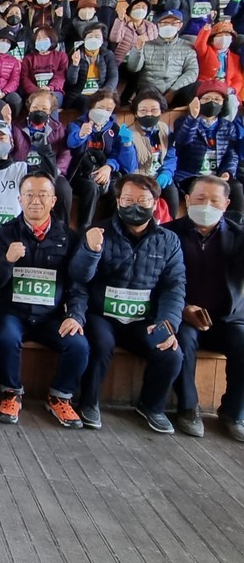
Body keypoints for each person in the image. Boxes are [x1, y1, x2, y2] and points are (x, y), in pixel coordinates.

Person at [74, 174, 186, 434]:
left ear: (155, 202)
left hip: (145, 318)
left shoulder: (169, 241)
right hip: (103, 313)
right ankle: (89, 402)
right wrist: (91, 251)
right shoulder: (98, 231)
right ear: (117, 201)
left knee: (171, 354)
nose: (135, 206)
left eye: (142, 200)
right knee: (99, 344)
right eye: (128, 199)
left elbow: (174, 286)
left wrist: (168, 322)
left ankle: (151, 406)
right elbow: (79, 278)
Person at [0, 172, 88, 427]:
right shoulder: (5, 233)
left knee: (79, 345)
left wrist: (74, 315)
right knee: (6, 338)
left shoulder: (69, 237)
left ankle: (60, 397)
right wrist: (6, 260)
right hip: (13, 313)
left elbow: (78, 285)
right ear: (19, 199)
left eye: (43, 195)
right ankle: (11, 393)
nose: (36, 201)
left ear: (54, 201)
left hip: (51, 316)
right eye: (29, 195)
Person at [166, 175, 244, 442]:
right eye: (200, 198)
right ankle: (187, 408)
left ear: (227, 204)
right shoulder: (168, 233)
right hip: (184, 316)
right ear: (188, 200)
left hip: (227, 318)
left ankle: (234, 412)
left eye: (214, 200)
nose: (206, 205)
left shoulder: (239, 236)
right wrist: (184, 308)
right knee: (182, 342)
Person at [66, 90, 137, 229]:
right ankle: (84, 229)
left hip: (105, 172)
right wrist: (81, 135)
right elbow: (70, 143)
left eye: (109, 109)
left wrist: (109, 167)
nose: (104, 112)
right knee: (91, 188)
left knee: (116, 188)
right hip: (81, 173)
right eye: (100, 107)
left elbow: (122, 160)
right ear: (92, 106)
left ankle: (108, 228)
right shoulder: (78, 124)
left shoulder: (114, 130)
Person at [172, 80, 244, 212]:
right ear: (198, 101)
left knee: (236, 187)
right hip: (190, 175)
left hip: (217, 175)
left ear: (223, 104)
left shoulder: (228, 127)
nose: (212, 102)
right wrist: (193, 117)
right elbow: (182, 141)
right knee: (203, 190)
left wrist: (227, 172)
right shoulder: (184, 121)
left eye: (217, 99)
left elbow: (231, 154)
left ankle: (235, 227)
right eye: (207, 98)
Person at [9, 90, 73, 222]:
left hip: (49, 170)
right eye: (36, 107)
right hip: (23, 170)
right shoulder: (16, 126)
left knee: (64, 189)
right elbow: (10, 151)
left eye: (44, 108)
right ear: (29, 108)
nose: (39, 111)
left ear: (50, 111)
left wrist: (57, 170)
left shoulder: (58, 128)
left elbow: (65, 153)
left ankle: (62, 229)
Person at [125, 9, 199, 107]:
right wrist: (138, 48)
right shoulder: (147, 44)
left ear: (180, 25)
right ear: (158, 25)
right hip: (149, 89)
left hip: (176, 90)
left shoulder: (188, 47)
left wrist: (173, 90)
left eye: (174, 23)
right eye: (165, 23)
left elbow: (192, 71)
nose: (169, 26)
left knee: (194, 87)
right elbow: (133, 68)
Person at [128, 88, 179, 219]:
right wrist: (126, 145)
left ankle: (168, 230)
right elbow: (129, 166)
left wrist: (167, 172)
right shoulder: (129, 133)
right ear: (136, 113)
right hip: (139, 178)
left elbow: (171, 155)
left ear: (161, 111)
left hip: (160, 175)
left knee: (172, 194)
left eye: (154, 110)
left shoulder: (164, 128)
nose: (149, 114)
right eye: (143, 110)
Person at [64, 23, 118, 111]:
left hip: (101, 94)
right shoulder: (75, 53)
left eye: (97, 36)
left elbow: (113, 76)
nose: (93, 39)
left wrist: (103, 94)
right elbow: (71, 81)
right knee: (87, 102)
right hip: (80, 95)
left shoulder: (108, 55)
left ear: (102, 40)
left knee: (107, 106)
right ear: (84, 39)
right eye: (90, 36)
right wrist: (75, 65)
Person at [19, 27, 67, 107]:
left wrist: (50, 88)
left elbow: (60, 76)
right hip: (33, 93)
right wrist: (37, 91)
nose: (41, 40)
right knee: (37, 102)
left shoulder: (61, 56)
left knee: (49, 101)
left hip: (54, 92)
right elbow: (25, 79)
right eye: (38, 38)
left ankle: (52, 120)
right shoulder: (28, 58)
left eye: (44, 37)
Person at [194, 22, 241, 97]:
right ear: (212, 40)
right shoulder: (206, 51)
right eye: (219, 35)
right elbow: (200, 44)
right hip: (205, 88)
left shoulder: (235, 58)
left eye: (227, 35)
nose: (224, 38)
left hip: (226, 90)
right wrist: (206, 28)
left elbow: (238, 79)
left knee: (231, 101)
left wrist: (232, 90)